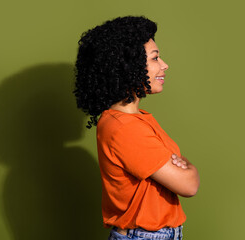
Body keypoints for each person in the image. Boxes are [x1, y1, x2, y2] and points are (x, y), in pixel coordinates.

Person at [73, 15, 200, 240]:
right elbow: (188, 186)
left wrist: (182, 166)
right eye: (155, 58)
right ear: (128, 66)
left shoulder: (138, 120)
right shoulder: (124, 129)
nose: (164, 65)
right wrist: (188, 167)